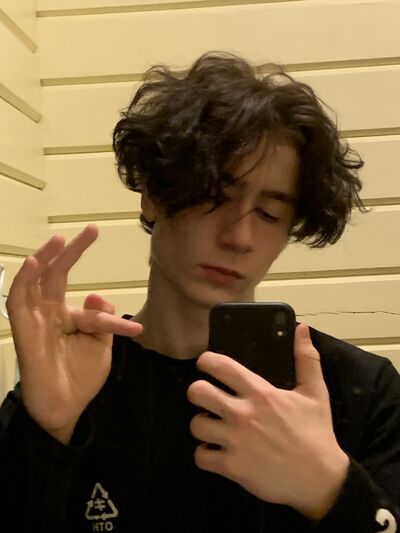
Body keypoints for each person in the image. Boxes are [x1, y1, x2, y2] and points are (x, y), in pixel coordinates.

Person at [1, 51, 399, 533]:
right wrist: (44, 434)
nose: (239, 237)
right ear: (153, 193)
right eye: (215, 196)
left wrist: (330, 490)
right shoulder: (76, 381)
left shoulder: (359, 390)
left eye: (270, 214)